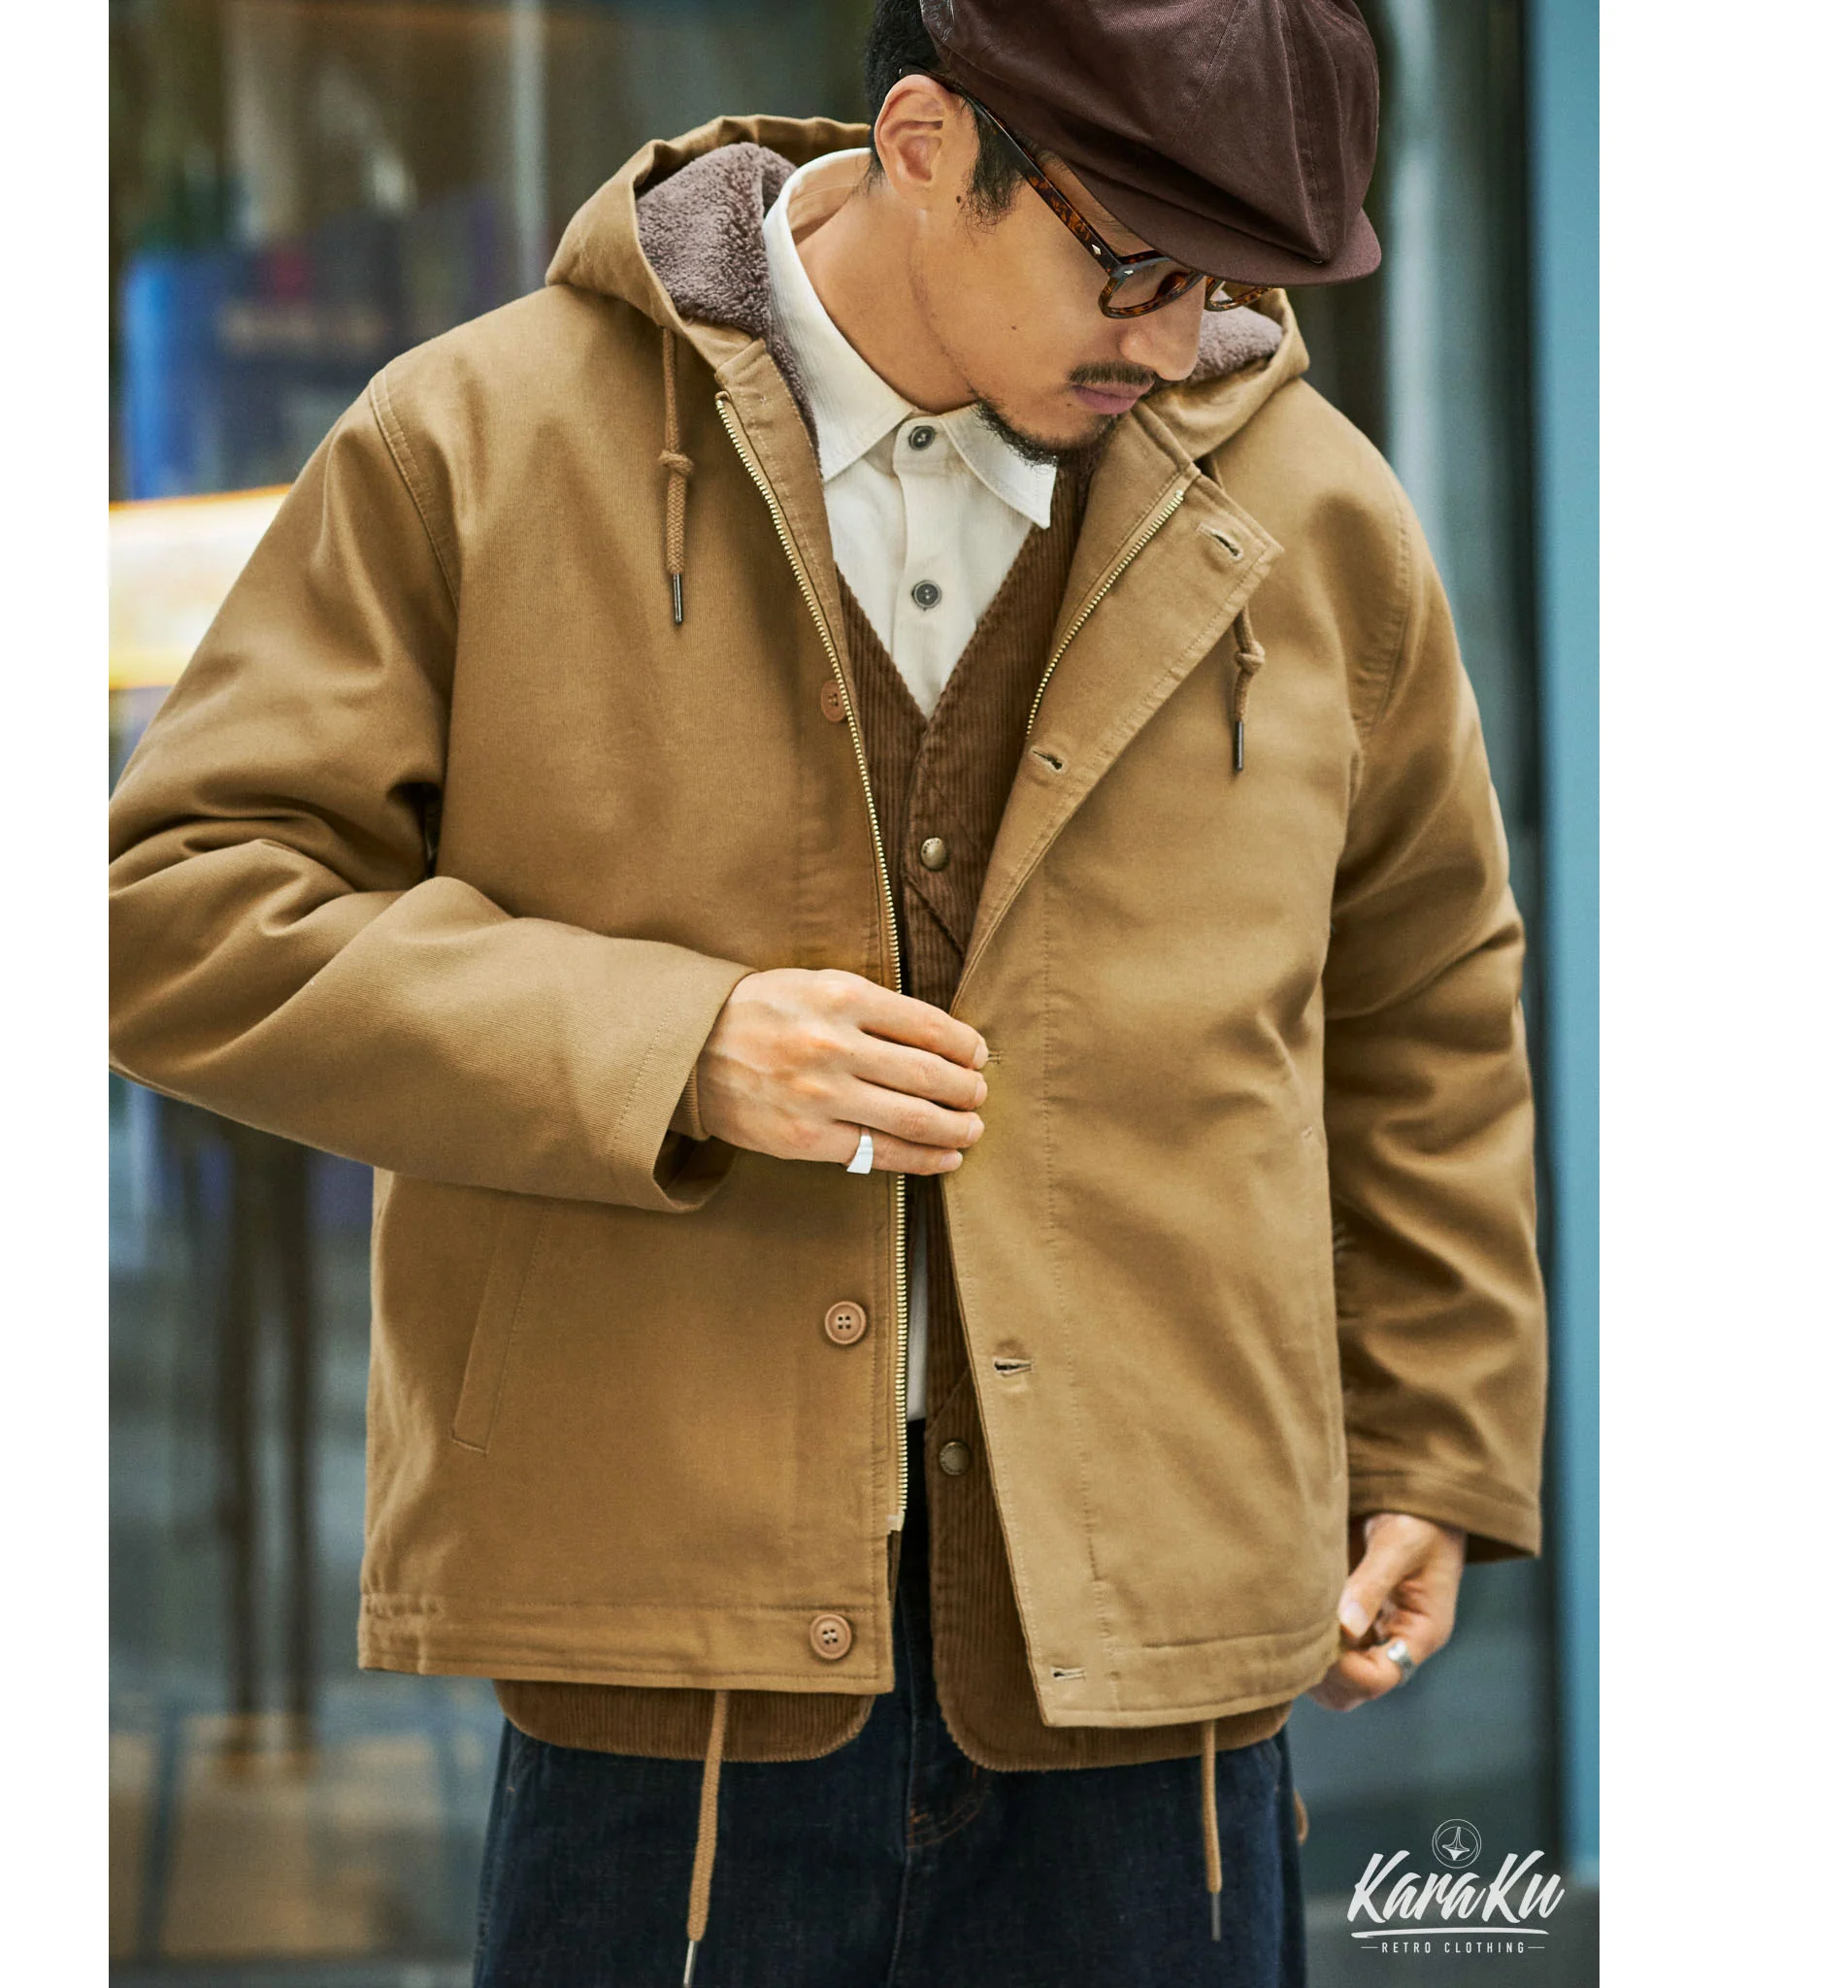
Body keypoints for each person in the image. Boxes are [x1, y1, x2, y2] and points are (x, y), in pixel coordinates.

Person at [107, 0, 1548, 1980]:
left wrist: (1435, 1438)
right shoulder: (481, 439)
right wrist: (676, 1048)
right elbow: (176, 904)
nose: (1178, 340)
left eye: (1230, 284)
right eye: (1138, 264)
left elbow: (1425, 991)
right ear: (930, 143)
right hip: (666, 1653)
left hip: (1162, 1644)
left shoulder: (1313, 505)